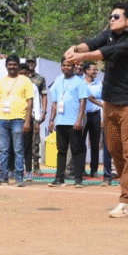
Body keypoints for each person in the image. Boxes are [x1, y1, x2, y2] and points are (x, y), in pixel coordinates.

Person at [64, 2, 128, 218]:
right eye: (111, 16)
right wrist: (75, 49)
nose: (111, 19)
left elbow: (105, 52)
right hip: (111, 101)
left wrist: (81, 57)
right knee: (113, 147)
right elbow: (90, 44)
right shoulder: (108, 34)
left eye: (116, 17)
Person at [0, 55, 33, 186]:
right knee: (3, 150)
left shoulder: (25, 81)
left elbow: (29, 102)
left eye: (15, 64)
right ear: (6, 66)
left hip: (18, 119)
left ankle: (19, 177)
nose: (12, 67)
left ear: (18, 66)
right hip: (2, 119)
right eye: (10, 64)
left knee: (18, 150)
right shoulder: (1, 81)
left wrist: (27, 121)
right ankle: (3, 176)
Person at [48, 59, 89, 187]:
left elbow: (83, 102)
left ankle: (78, 179)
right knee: (61, 150)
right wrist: (51, 120)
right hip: (60, 122)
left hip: (74, 122)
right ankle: (59, 178)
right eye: (64, 65)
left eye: (69, 65)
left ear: (74, 66)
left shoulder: (79, 82)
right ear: (61, 67)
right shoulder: (58, 80)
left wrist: (79, 120)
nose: (66, 68)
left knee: (76, 150)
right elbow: (54, 102)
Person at [81, 62, 105, 182]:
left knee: (95, 143)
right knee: (81, 143)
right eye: (93, 70)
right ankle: (81, 169)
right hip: (83, 115)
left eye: (96, 70)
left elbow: (102, 98)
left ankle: (94, 170)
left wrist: (100, 105)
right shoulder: (80, 83)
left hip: (95, 115)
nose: (95, 72)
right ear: (86, 71)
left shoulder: (99, 84)